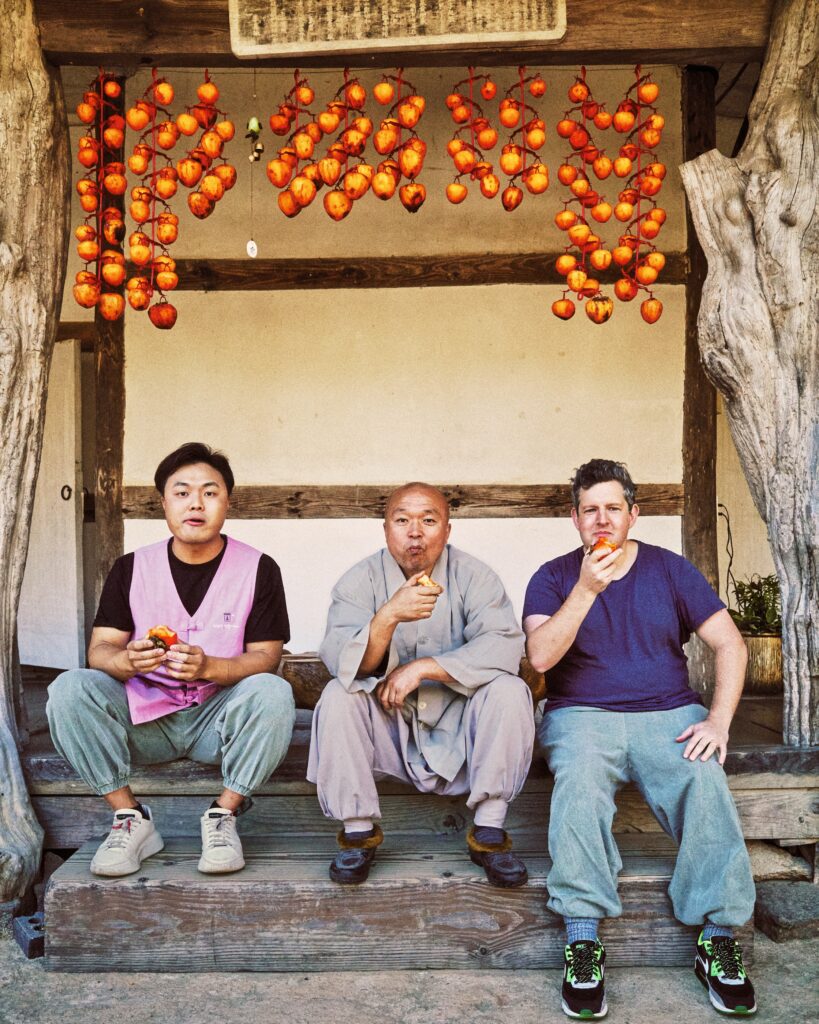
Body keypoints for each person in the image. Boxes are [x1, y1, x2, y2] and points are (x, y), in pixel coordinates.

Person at [523, 459, 756, 1020]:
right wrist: (584, 590)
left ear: (634, 512)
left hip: (669, 712)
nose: (601, 520)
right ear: (574, 518)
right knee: (578, 782)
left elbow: (731, 644)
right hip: (581, 714)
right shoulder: (553, 577)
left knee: (703, 777)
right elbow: (539, 658)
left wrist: (719, 720)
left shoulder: (670, 570)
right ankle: (583, 935)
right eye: (589, 510)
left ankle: (717, 936)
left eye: (612, 508)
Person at [47, 442, 295, 877]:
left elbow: (267, 657)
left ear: (227, 503)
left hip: (218, 721)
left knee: (273, 692)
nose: (195, 503)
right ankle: (130, 817)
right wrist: (127, 660)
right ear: (163, 503)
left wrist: (210, 668)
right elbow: (99, 651)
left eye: (209, 492)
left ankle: (223, 814)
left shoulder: (259, 568)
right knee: (68, 689)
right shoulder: (130, 568)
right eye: (181, 492)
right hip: (146, 721)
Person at [307, 482, 535, 886]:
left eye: (429, 520)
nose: (415, 532)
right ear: (386, 529)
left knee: (510, 691)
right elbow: (343, 661)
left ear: (447, 530)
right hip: (390, 728)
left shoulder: (475, 577)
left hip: (461, 726)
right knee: (337, 697)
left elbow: (504, 646)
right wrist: (386, 618)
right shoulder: (357, 582)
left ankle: (489, 832)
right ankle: (358, 833)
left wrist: (427, 667)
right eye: (402, 520)